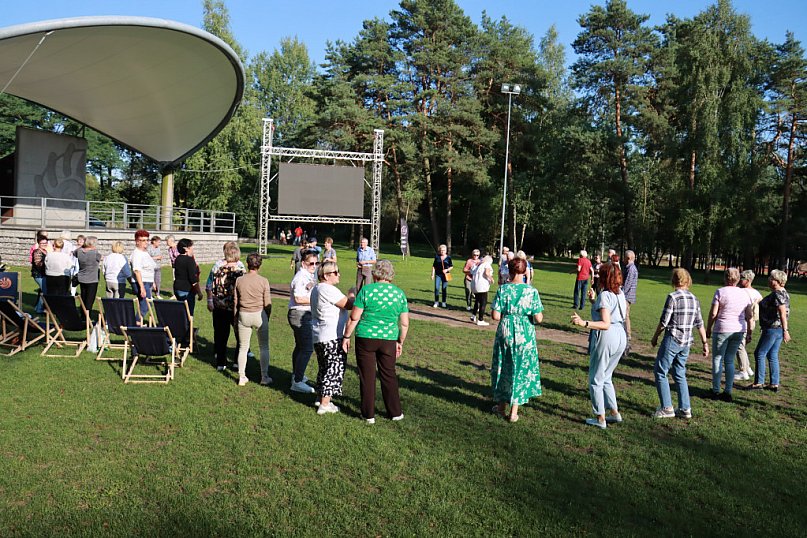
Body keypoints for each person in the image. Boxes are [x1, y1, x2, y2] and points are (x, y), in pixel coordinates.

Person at [342, 260, 409, 424]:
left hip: (366, 337)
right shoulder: (399, 294)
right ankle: (395, 412)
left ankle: (368, 414)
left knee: (367, 376)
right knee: (389, 374)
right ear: (391, 274)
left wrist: (346, 337)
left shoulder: (366, 290)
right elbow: (405, 323)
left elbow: (354, 317)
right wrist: (399, 341)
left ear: (375, 273)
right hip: (389, 339)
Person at [570, 262, 627, 429]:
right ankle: (614, 413)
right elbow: (611, 313)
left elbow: (605, 323)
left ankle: (600, 418)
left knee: (595, 378)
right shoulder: (620, 294)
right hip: (621, 336)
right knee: (607, 376)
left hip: (608, 336)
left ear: (604, 277)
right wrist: (594, 301)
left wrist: (583, 323)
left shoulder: (605, 296)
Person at [649, 268, 709, 419]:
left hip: (673, 339)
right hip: (686, 342)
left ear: (674, 281)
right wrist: (704, 342)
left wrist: (655, 336)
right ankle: (685, 408)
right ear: (688, 280)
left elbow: (664, 321)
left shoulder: (673, 297)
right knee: (679, 373)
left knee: (660, 371)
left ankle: (667, 408)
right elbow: (699, 323)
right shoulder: (694, 299)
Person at [490, 257, 545, 423]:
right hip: (524, 333)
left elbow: (495, 315)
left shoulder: (503, 290)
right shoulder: (531, 292)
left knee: (503, 366)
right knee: (520, 368)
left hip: (506, 329)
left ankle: (500, 406)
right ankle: (514, 412)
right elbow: (539, 318)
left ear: (510, 270)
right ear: (525, 271)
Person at [311, 261, 354, 414]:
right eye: (336, 272)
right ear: (326, 275)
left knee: (324, 368)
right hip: (331, 335)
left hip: (320, 335)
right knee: (334, 368)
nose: (339, 275)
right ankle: (325, 403)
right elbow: (348, 305)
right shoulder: (328, 289)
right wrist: (352, 294)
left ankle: (320, 397)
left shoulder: (317, 288)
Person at [705, 268, 753, 402]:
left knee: (717, 360)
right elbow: (749, 315)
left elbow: (714, 313)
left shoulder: (720, 292)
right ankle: (728, 391)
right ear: (738, 279)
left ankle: (715, 390)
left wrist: (708, 327)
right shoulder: (745, 294)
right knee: (730, 360)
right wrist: (749, 332)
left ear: (725, 278)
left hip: (722, 329)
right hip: (739, 330)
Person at [234, 253, 273, 387]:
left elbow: (236, 301)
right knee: (264, 347)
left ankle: (241, 376)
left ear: (247, 264)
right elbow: (267, 302)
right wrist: (267, 316)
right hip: (259, 314)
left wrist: (235, 316)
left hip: (244, 314)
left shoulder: (239, 280)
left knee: (243, 347)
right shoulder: (264, 281)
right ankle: (264, 376)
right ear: (259, 265)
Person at [206, 242, 245, 371]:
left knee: (221, 336)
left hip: (219, 306)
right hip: (235, 308)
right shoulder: (240, 272)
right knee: (240, 336)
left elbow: (210, 286)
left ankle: (221, 363)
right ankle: (236, 362)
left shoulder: (217, 269)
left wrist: (210, 300)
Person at [750, 270, 791, 392]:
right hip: (777, 330)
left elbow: (782, 313)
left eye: (771, 279)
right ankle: (774, 383)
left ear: (778, 281)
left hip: (773, 329)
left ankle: (759, 383)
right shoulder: (784, 293)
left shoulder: (777, 294)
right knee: (772, 355)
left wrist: (786, 330)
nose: (769, 280)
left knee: (759, 353)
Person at [287, 250, 318, 393]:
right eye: (311, 263)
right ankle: (297, 382)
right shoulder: (300, 277)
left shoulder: (309, 276)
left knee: (300, 346)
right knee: (307, 348)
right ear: (304, 264)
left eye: (316, 263)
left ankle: (296, 375)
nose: (314, 266)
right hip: (299, 314)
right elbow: (299, 298)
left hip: (303, 314)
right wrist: (316, 301)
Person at [734, 270, 762, 381]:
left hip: (742, 321)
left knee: (739, 346)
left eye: (742, 278)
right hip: (752, 322)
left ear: (748, 280)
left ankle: (743, 371)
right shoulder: (756, 293)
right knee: (742, 345)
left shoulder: (742, 292)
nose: (740, 280)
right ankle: (748, 367)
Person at [130, 229, 157, 319]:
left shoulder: (145, 253)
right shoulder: (137, 254)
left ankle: (137, 322)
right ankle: (136, 323)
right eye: (143, 240)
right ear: (137, 241)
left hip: (147, 281)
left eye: (147, 240)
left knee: (146, 304)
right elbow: (137, 270)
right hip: (142, 282)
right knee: (146, 304)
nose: (146, 242)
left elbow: (149, 268)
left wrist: (152, 282)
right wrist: (141, 287)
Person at [173, 239, 203, 315]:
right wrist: (199, 293)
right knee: (188, 313)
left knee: (181, 312)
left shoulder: (177, 259)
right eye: (191, 246)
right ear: (186, 249)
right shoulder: (189, 260)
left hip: (177, 288)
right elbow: (193, 279)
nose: (193, 249)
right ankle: (188, 326)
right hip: (186, 290)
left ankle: (181, 326)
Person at [74, 236, 102, 314]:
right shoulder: (95, 253)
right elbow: (101, 258)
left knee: (83, 297)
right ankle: (86, 316)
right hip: (92, 279)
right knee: (89, 300)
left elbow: (74, 253)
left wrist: (83, 246)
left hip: (82, 277)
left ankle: (82, 314)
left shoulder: (79, 251)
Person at [622, 250, 638, 352]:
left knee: (625, 316)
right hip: (628, 296)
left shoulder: (631, 269)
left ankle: (627, 335)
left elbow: (626, 285)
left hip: (626, 297)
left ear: (628, 258)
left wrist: (619, 295)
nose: (623, 259)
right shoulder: (630, 268)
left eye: (624, 257)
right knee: (625, 316)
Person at [471, 255, 493, 326]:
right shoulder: (487, 264)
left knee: (477, 301)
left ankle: (473, 315)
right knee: (483, 302)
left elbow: (472, 272)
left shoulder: (478, 265)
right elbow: (486, 273)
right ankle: (480, 319)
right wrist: (491, 278)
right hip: (482, 286)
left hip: (474, 285)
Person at [31, 235, 49, 313]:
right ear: (39, 243)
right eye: (42, 243)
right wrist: (47, 264)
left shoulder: (45, 251)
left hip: (44, 274)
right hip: (38, 274)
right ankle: (39, 309)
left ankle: (37, 307)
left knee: (43, 290)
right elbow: (37, 264)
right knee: (45, 291)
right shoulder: (37, 251)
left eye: (45, 243)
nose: (44, 244)